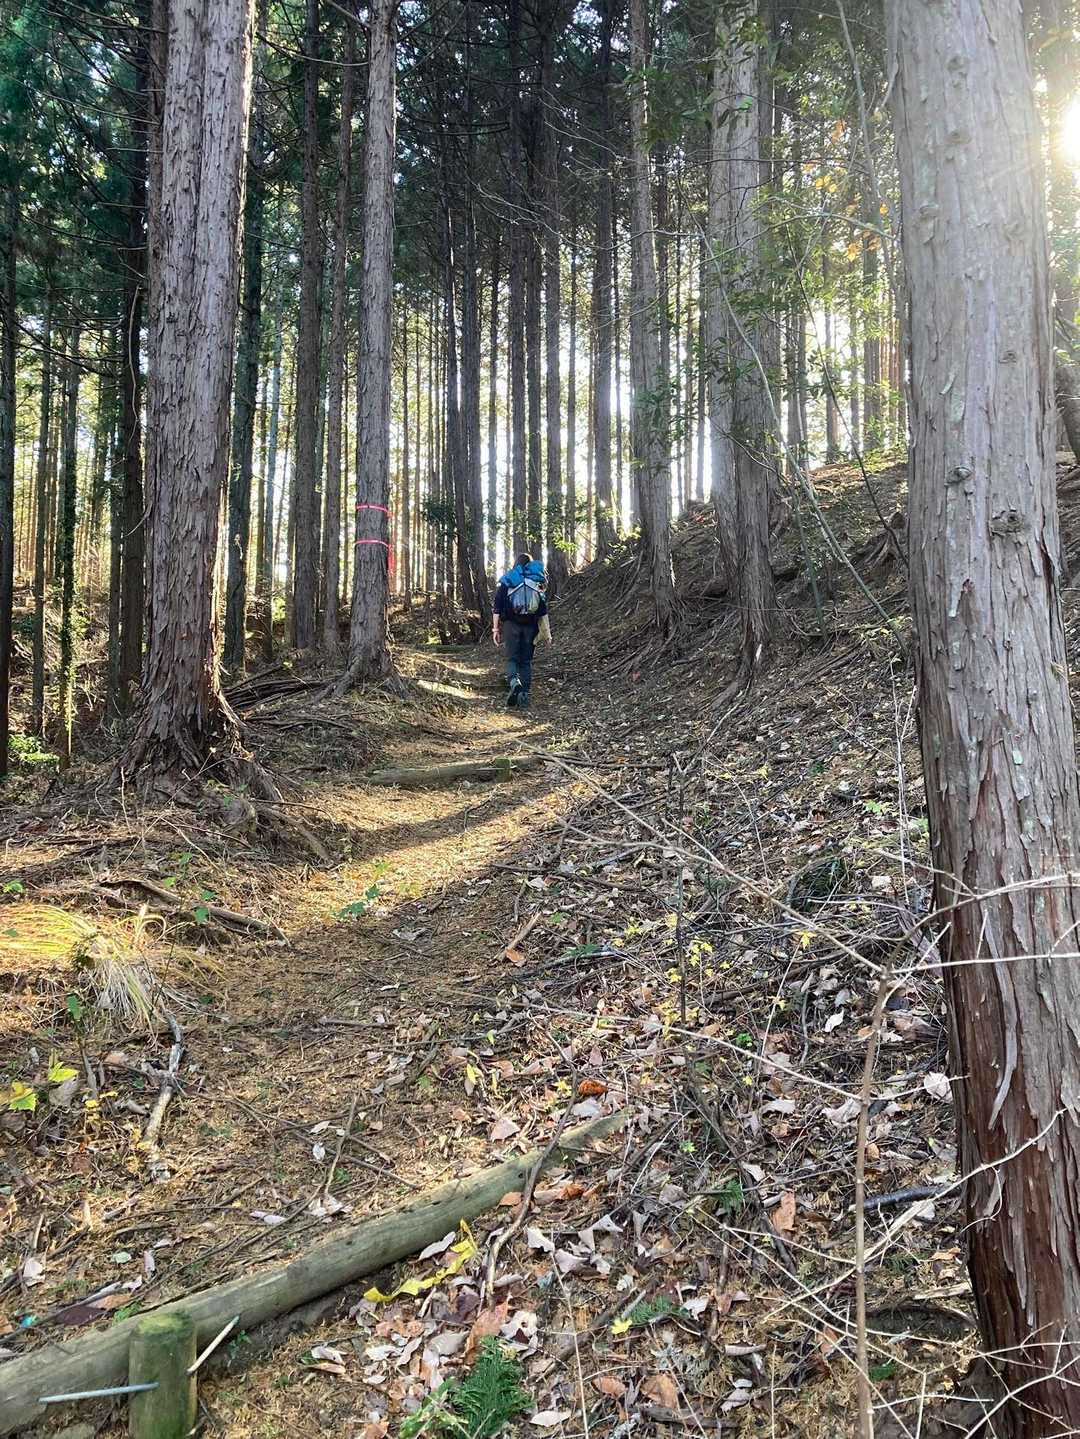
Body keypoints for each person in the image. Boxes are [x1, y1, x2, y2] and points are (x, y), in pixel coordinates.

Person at [492, 552, 551, 709]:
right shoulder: (536, 580)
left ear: (516, 563)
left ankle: (514, 682)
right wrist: (547, 633)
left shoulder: (509, 579)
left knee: (512, 659)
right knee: (526, 661)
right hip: (530, 626)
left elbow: (497, 607)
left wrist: (495, 629)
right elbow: (543, 609)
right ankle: (524, 695)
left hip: (511, 625)